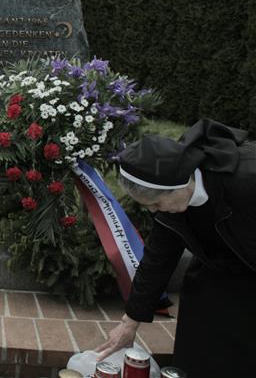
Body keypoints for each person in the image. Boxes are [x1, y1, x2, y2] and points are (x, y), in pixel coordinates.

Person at [96, 119, 255, 376]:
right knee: (196, 355)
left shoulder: (247, 180)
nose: (155, 212)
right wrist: (130, 322)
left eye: (157, 204)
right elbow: (157, 259)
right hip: (212, 274)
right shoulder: (171, 200)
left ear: (177, 186)